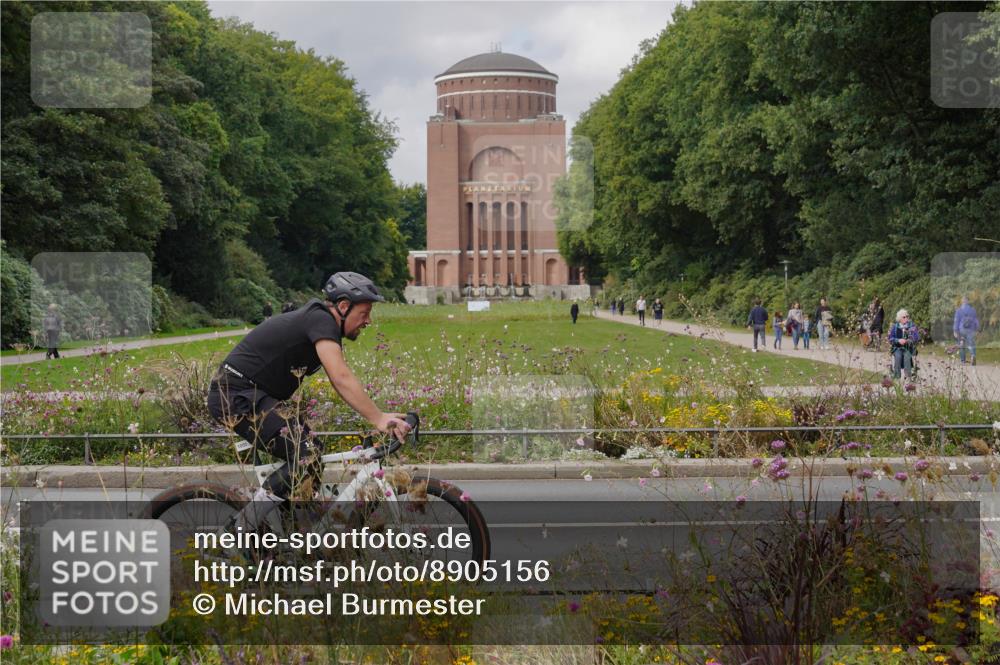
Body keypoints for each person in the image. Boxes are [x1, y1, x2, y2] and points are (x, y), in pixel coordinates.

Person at [207, 271, 411, 535]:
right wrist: (378, 418)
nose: (368, 321)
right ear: (344, 306)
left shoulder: (320, 323)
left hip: (255, 395)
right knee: (308, 455)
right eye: (365, 313)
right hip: (236, 395)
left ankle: (297, 534)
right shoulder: (320, 320)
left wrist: (376, 414)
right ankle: (239, 530)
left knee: (310, 455)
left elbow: (339, 380)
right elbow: (340, 376)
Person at [887, 308, 920, 380]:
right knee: (898, 357)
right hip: (897, 347)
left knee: (907, 357)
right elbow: (890, 338)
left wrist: (909, 340)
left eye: (907, 316)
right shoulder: (895, 327)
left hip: (908, 347)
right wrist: (898, 340)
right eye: (904, 317)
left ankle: (908, 377)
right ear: (899, 319)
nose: (906, 318)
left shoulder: (911, 325)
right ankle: (896, 377)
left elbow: (917, 337)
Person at [953, 296, 980, 365]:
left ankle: (963, 361)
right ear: (968, 301)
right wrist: (977, 329)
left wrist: (955, 330)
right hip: (971, 330)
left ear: (962, 301)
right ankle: (973, 355)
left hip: (961, 330)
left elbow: (956, 321)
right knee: (971, 343)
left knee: (962, 344)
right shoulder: (972, 310)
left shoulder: (959, 310)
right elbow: (975, 320)